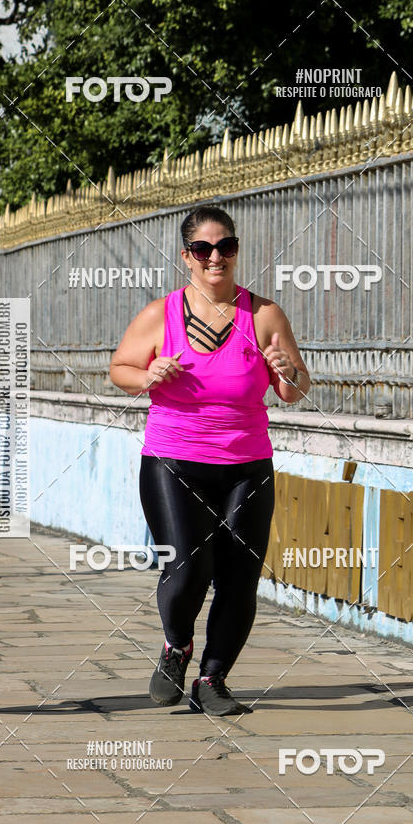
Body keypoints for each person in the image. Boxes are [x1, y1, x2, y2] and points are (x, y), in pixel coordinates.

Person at [110, 204, 310, 716]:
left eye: (225, 247)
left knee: (240, 576)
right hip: (174, 459)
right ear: (187, 256)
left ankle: (213, 679)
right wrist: (148, 375)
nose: (215, 257)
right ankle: (176, 645)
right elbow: (119, 368)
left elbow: (294, 390)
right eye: (203, 249)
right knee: (187, 567)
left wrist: (286, 369)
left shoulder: (263, 315)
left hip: (247, 465)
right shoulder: (162, 313)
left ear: (236, 251)